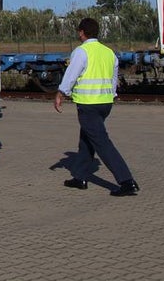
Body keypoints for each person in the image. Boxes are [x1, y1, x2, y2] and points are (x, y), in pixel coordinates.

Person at [55, 17, 140, 196]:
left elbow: (71, 74)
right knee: (86, 140)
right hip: (105, 103)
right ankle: (80, 177)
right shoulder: (108, 52)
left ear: (81, 32)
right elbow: (113, 77)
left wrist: (61, 93)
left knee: (101, 142)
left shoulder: (81, 51)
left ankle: (127, 181)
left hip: (88, 104)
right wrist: (112, 95)